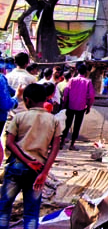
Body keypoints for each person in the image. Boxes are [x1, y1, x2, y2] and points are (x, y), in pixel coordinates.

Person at [0, 83, 61, 229]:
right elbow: (55, 149)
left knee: (4, 208)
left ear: (27, 100)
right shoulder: (54, 121)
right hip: (38, 171)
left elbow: (9, 143)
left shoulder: (20, 117)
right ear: (46, 99)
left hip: (16, 167)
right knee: (31, 212)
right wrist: (44, 173)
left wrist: (27, 160)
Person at [61, 64, 94, 151]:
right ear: (86, 72)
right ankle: (72, 144)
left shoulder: (71, 80)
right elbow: (91, 96)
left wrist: (64, 104)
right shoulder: (88, 82)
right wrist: (88, 106)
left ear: (77, 71)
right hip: (81, 107)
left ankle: (61, 143)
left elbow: (66, 92)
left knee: (67, 124)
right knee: (77, 126)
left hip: (70, 105)